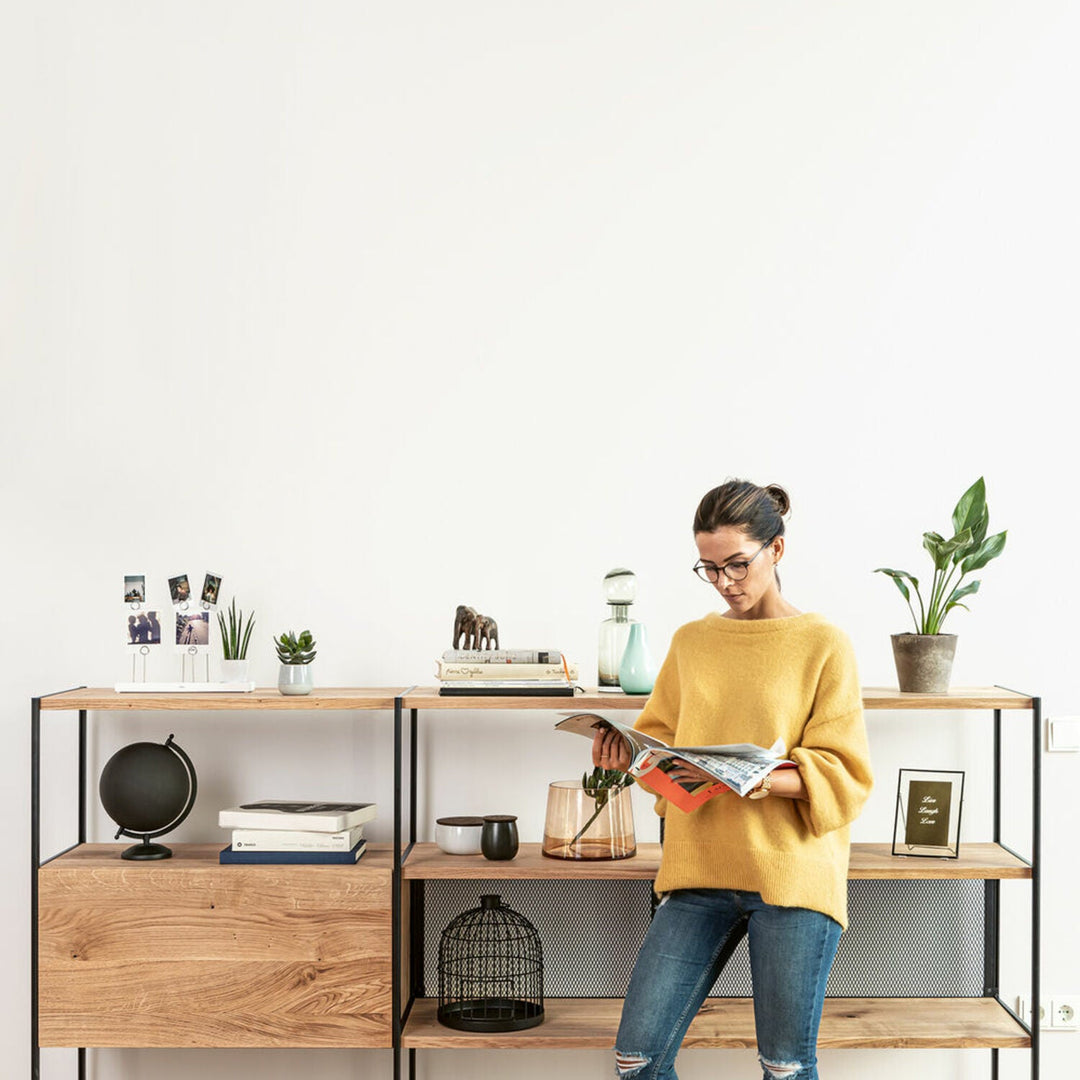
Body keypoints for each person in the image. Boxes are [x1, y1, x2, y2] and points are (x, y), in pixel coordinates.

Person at [593, 479, 873, 1080]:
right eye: (710, 568)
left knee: (785, 1067)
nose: (726, 582)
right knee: (635, 1057)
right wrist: (633, 758)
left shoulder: (824, 643)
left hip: (791, 874)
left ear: (776, 550)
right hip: (700, 870)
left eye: (738, 564)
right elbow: (663, 748)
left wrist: (762, 781)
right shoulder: (692, 642)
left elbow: (846, 774)